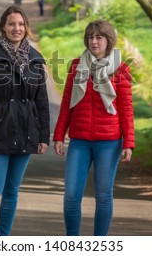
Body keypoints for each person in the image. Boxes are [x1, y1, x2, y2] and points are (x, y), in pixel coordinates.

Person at [0, 5, 50, 236]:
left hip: (26, 133)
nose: (17, 28)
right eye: (12, 24)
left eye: (21, 24)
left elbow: (42, 101)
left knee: (12, 192)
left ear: (26, 28)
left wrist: (44, 135)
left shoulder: (35, 59)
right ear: (3, 27)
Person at [53, 19, 134, 236]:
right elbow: (67, 102)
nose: (94, 41)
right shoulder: (77, 66)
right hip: (79, 140)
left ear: (109, 40)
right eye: (90, 37)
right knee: (71, 195)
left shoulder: (121, 70)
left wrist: (129, 143)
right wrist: (59, 135)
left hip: (109, 142)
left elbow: (126, 110)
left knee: (103, 195)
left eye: (99, 37)